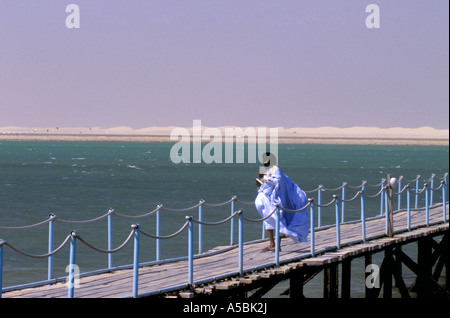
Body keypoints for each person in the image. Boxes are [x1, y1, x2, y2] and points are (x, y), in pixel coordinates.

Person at [255, 152, 309, 252]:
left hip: (275, 199)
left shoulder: (276, 169)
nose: (265, 161)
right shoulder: (265, 169)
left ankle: (277, 244)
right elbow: (262, 185)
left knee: (278, 219)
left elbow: (278, 181)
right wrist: (260, 180)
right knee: (267, 220)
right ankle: (272, 244)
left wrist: (265, 179)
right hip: (266, 198)